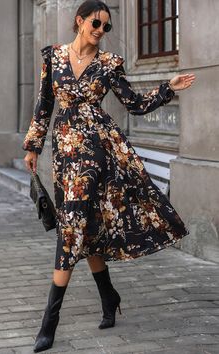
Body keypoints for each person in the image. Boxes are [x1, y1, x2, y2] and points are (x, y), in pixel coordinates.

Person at [23, 0, 195, 352]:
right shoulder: (53, 57)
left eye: (107, 27)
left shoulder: (109, 64)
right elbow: (44, 105)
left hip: (100, 153)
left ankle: (49, 322)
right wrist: (32, 146)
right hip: (66, 154)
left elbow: (133, 103)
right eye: (96, 24)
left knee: (72, 226)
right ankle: (109, 296)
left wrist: (168, 88)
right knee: (85, 228)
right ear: (79, 21)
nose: (101, 31)